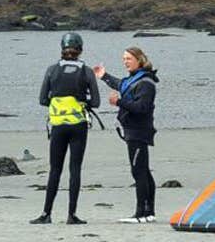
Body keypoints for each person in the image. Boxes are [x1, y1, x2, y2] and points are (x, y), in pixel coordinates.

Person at [30, 33, 100, 225]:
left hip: (58, 126)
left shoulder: (52, 70)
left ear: (62, 48)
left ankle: (46, 214)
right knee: (75, 169)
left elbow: (42, 100)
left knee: (55, 170)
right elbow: (96, 102)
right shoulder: (86, 71)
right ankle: (71, 215)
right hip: (78, 127)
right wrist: (81, 100)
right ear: (81, 50)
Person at [93, 47, 158, 224]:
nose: (125, 61)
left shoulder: (146, 82)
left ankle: (141, 213)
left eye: (129, 58)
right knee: (143, 170)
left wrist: (119, 102)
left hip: (139, 131)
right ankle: (149, 212)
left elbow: (142, 107)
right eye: (124, 58)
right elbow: (121, 84)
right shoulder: (133, 79)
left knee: (138, 170)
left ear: (139, 60)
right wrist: (104, 76)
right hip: (132, 130)